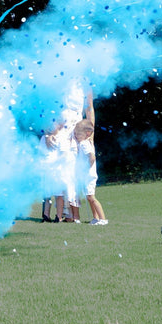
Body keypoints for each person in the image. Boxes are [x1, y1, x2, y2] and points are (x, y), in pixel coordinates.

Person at [41, 79, 94, 223]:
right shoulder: (57, 78)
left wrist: (90, 136)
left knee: (70, 173)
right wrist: (48, 134)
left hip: (75, 131)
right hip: (57, 129)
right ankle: (47, 212)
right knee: (51, 170)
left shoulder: (85, 83)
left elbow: (89, 109)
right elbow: (47, 108)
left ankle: (70, 213)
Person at [73, 118, 108, 225]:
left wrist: (86, 168)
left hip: (89, 175)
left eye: (78, 134)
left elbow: (92, 157)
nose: (76, 136)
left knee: (91, 198)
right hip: (87, 175)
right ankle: (95, 218)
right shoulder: (84, 143)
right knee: (89, 197)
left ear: (87, 133)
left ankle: (103, 219)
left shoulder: (84, 144)